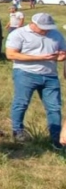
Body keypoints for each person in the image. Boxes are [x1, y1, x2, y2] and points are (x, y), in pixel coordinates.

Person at [5, 13, 66, 148]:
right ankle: (17, 130)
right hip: (25, 73)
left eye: (48, 27)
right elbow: (11, 54)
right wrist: (41, 58)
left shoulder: (56, 34)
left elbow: (63, 51)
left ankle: (56, 138)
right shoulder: (18, 34)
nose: (46, 30)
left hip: (50, 75)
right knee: (22, 102)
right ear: (33, 24)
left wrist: (61, 56)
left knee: (54, 107)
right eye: (43, 28)